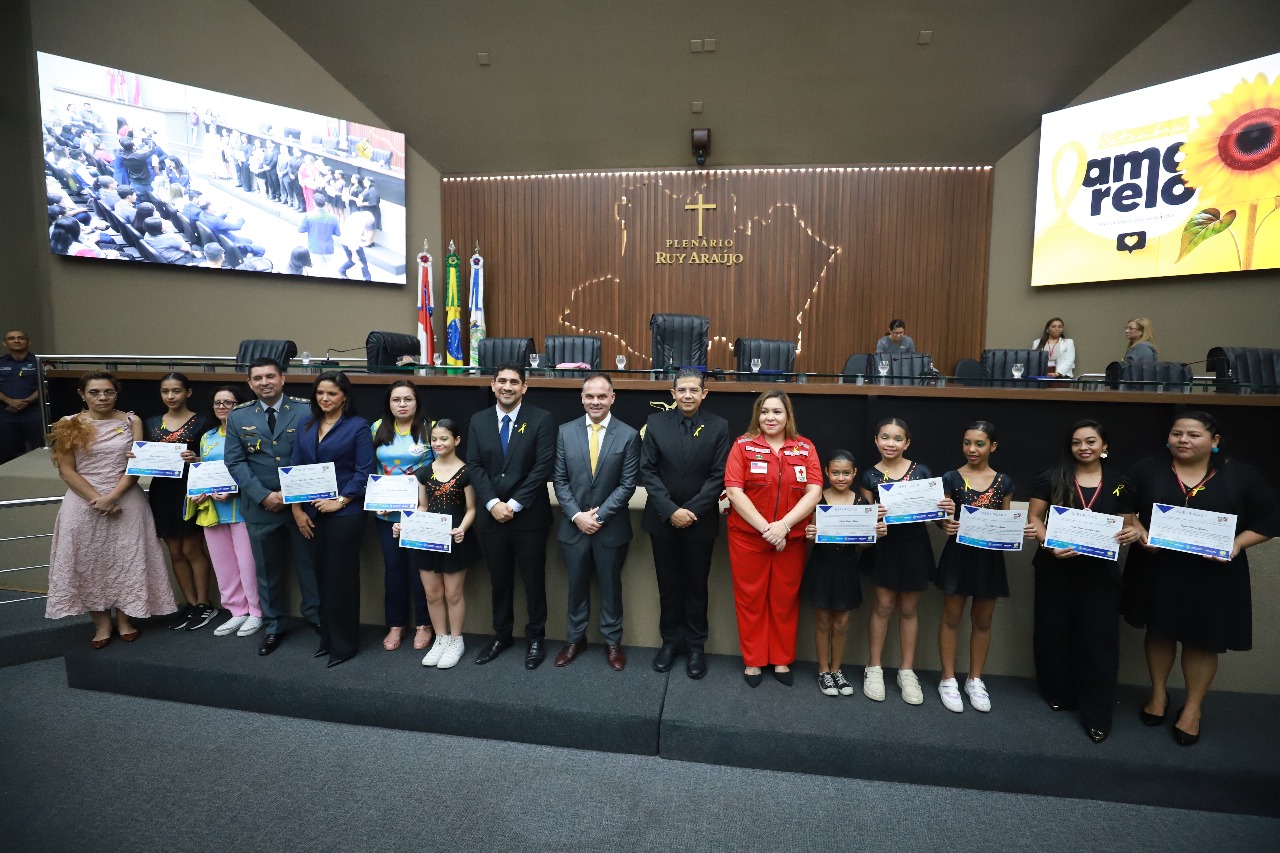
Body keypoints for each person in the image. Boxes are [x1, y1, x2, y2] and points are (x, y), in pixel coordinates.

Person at [1121, 412, 1279, 746]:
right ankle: (1159, 695)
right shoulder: (1147, 468)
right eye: (1176, 433)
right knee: (1159, 630)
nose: (1183, 440)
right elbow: (1121, 500)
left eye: (1193, 434)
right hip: (1157, 568)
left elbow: (1270, 519)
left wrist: (1237, 544)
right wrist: (1136, 528)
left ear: (1214, 441)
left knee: (1203, 639)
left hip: (1213, 573)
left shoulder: (1241, 475)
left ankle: (1193, 708)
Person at [45, 371, 176, 645]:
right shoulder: (68, 424)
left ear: (116, 394)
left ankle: (126, 619)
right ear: (82, 394)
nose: (102, 397)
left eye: (108, 392)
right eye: (94, 392)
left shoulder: (132, 421)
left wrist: (113, 496)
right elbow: (67, 471)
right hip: (82, 502)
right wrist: (98, 499)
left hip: (127, 498)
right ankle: (102, 624)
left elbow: (137, 464)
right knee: (87, 562)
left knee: (128, 559)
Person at [1028, 419, 1135, 743]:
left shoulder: (1120, 483)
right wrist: (1049, 543)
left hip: (1100, 574)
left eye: (1090, 441)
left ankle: (1097, 714)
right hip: (1056, 567)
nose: (1083, 447)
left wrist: (1130, 533)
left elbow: (1128, 524)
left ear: (1105, 447)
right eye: (1077, 442)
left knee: (1098, 642)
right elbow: (1035, 518)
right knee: (1054, 632)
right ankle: (1058, 693)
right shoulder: (1051, 477)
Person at [724, 390, 823, 687]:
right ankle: (754, 660)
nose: (770, 417)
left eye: (777, 412)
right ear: (757, 415)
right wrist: (767, 530)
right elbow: (734, 491)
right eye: (765, 411)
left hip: (789, 540)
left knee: (784, 600)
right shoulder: (742, 446)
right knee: (750, 599)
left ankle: (781, 659)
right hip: (748, 538)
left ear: (787, 415)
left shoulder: (805, 448)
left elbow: (815, 491)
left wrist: (783, 526)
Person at [223, 357, 321, 655]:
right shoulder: (239, 416)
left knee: (310, 567)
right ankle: (274, 625)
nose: (264, 382)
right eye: (257, 378)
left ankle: (317, 618)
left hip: (301, 508)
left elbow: (316, 455)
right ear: (250, 383)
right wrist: (263, 495)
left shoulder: (306, 410)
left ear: (282, 378)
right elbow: (235, 461)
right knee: (266, 571)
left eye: (270, 376)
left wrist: (290, 496)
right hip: (260, 508)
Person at [933, 421, 1031, 713]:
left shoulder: (1004, 482)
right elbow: (942, 519)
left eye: (979, 443)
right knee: (951, 617)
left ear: (993, 447)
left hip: (989, 560)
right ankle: (948, 678)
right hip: (958, 556)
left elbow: (1006, 521)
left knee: (983, 620)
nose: (972, 449)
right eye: (967, 443)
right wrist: (944, 523)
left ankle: (975, 679)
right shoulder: (951, 477)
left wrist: (1017, 531)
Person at [639, 367, 730, 679]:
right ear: (672, 393)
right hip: (663, 519)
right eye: (682, 390)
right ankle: (669, 642)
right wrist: (671, 510)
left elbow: (719, 475)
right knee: (668, 585)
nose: (688, 395)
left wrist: (690, 510)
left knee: (696, 586)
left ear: (704, 393)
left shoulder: (718, 425)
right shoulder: (655, 422)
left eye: (694, 390)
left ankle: (695, 647)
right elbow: (647, 470)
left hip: (699, 521)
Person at [467, 363, 556, 668]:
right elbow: (475, 466)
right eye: (502, 381)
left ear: (524, 388)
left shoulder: (542, 419)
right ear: (492, 385)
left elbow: (542, 467)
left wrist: (514, 504)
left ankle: (535, 639)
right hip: (492, 517)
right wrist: (492, 503)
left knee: (533, 582)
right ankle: (501, 635)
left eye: (514, 382)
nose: (507, 386)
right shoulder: (478, 420)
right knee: (500, 581)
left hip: (529, 517)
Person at [859, 417, 954, 704]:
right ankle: (873, 667)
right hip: (886, 548)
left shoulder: (922, 471)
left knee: (909, 609)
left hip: (915, 546)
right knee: (883, 606)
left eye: (897, 438)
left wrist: (946, 513)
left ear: (907, 443)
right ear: (876, 441)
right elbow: (865, 521)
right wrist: (872, 520)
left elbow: (936, 519)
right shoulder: (867, 476)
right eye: (885, 437)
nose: (891, 443)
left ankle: (906, 669)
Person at [552, 373, 641, 670]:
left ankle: (613, 642)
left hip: (611, 529)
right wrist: (578, 516)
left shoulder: (628, 435)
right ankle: (574, 639)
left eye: (602, 396)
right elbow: (560, 480)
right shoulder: (565, 432)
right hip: (573, 527)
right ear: (582, 397)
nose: (595, 402)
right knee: (576, 586)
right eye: (590, 396)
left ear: (612, 398)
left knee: (611, 588)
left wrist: (599, 516)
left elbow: (628, 484)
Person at [290, 371, 375, 668]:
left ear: (345, 397)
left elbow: (364, 472)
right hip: (310, 513)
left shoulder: (358, 427)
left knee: (341, 579)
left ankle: (345, 644)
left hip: (346, 514)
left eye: (332, 394)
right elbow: (295, 468)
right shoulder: (305, 424)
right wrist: (297, 510)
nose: (324, 398)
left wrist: (339, 501)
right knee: (319, 577)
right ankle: (327, 638)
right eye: (320, 393)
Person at [800, 450, 887, 697]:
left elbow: (864, 544)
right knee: (823, 621)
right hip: (822, 566)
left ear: (854, 474)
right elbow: (811, 537)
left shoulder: (861, 503)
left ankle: (837, 670)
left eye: (846, 473)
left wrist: (876, 535)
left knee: (842, 623)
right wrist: (809, 536)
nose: (841, 477)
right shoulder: (817, 499)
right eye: (835, 472)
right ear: (827, 472)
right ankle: (823, 671)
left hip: (847, 568)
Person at [138, 372, 217, 630]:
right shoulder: (150, 422)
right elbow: (145, 457)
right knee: (174, 551)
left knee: (192, 549)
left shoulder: (203, 421)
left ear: (188, 392)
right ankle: (191, 603)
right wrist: (137, 456)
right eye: (165, 391)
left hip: (190, 489)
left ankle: (205, 604)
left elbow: (212, 458)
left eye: (176, 391)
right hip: (162, 491)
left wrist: (197, 459)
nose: (171, 396)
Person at [192, 386, 264, 638]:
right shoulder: (207, 437)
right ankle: (237, 611)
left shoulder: (250, 434)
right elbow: (203, 471)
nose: (222, 407)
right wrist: (198, 489)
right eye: (217, 403)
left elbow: (257, 473)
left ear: (240, 405)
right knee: (224, 567)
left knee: (248, 565)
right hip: (213, 511)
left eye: (228, 403)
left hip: (243, 510)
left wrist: (235, 490)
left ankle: (256, 612)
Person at [405, 419, 476, 670]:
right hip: (427, 538)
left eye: (444, 438)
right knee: (432, 594)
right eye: (434, 439)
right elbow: (422, 506)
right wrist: (406, 525)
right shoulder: (424, 472)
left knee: (453, 594)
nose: (438, 443)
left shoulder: (467, 472)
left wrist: (462, 529)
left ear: (456, 440)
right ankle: (441, 638)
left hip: (455, 538)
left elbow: (471, 509)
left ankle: (457, 640)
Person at [369, 380, 433, 652]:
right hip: (387, 515)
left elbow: (439, 470)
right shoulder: (376, 428)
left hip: (421, 512)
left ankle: (424, 624)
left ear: (417, 402)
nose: (403, 404)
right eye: (397, 399)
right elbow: (372, 468)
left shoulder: (431, 429)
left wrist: (424, 506)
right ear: (389, 403)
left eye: (408, 399)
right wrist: (375, 498)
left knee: (420, 571)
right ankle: (396, 624)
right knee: (393, 571)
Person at [0, 329, 42, 465]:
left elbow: (46, 388)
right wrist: (9, 401)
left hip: (35, 415)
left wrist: (26, 402)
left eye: (20, 338)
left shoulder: (40, 362)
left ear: (28, 342)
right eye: (11, 338)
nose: (16, 341)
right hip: (6, 416)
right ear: (5, 343)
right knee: (9, 455)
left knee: (41, 453)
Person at [197, 199, 266, 257]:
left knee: (249, 241)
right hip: (232, 243)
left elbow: (216, 221)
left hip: (223, 242)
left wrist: (225, 213)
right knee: (261, 250)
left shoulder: (202, 215)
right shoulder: (216, 221)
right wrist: (241, 219)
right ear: (210, 208)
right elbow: (237, 227)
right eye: (213, 205)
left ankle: (244, 255)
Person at [297, 193, 340, 270]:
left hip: (315, 248)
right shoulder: (334, 218)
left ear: (313, 202)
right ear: (325, 204)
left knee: (317, 273)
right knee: (329, 273)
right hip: (328, 249)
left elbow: (300, 229)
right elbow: (338, 233)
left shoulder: (308, 216)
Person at [337, 211, 375, 281]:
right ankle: (368, 278)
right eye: (369, 222)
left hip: (344, 240)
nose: (369, 224)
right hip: (349, 242)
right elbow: (353, 239)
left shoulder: (357, 215)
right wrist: (354, 254)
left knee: (353, 260)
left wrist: (364, 237)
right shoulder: (358, 225)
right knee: (361, 260)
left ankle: (341, 270)